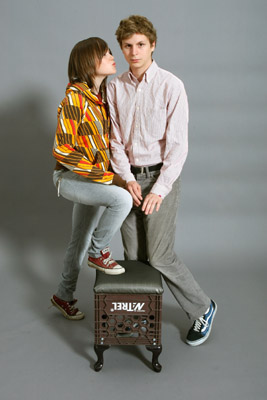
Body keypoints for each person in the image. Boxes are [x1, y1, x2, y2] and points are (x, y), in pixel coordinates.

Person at [107, 15, 217, 346]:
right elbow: (114, 140)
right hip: (126, 178)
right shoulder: (114, 86)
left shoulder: (171, 85)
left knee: (159, 255)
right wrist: (126, 179)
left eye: (141, 44)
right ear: (122, 48)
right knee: (133, 255)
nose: (134, 51)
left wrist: (159, 189)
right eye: (127, 46)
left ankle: (202, 308)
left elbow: (178, 147)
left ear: (153, 45)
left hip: (160, 177)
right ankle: (139, 316)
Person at [50, 37, 132, 320]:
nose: (113, 56)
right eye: (106, 53)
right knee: (121, 200)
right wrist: (106, 178)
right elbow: (62, 149)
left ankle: (63, 295)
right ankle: (99, 253)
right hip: (70, 177)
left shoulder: (99, 101)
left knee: (79, 240)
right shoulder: (75, 97)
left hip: (91, 179)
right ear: (89, 61)